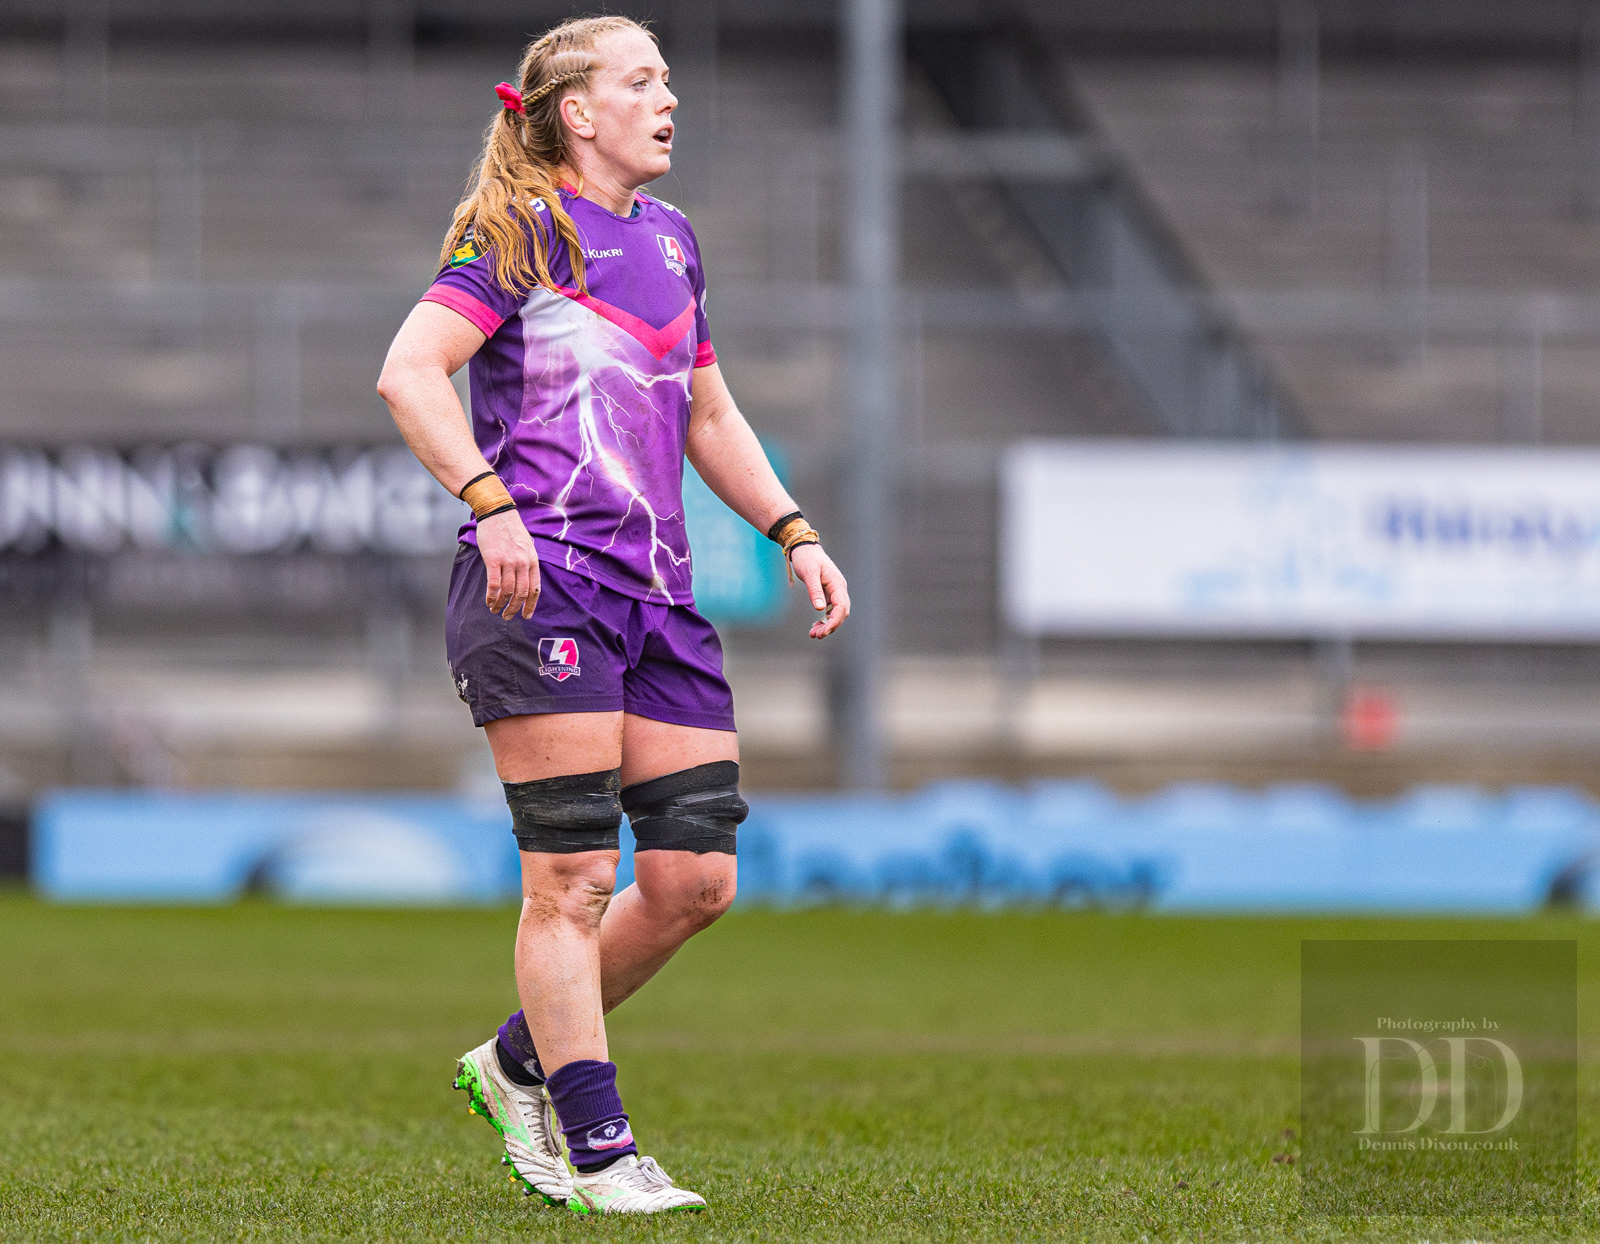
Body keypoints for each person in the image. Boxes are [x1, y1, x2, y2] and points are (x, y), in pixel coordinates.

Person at [375, 15, 849, 1217]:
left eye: (668, 79)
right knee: (573, 877)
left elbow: (709, 414)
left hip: (659, 594)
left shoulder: (674, 238)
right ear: (578, 112)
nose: (668, 98)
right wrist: (489, 503)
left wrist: (793, 530)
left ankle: (514, 1062)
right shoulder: (521, 227)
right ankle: (596, 1146)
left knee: (694, 880)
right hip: (547, 585)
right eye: (642, 80)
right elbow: (409, 371)